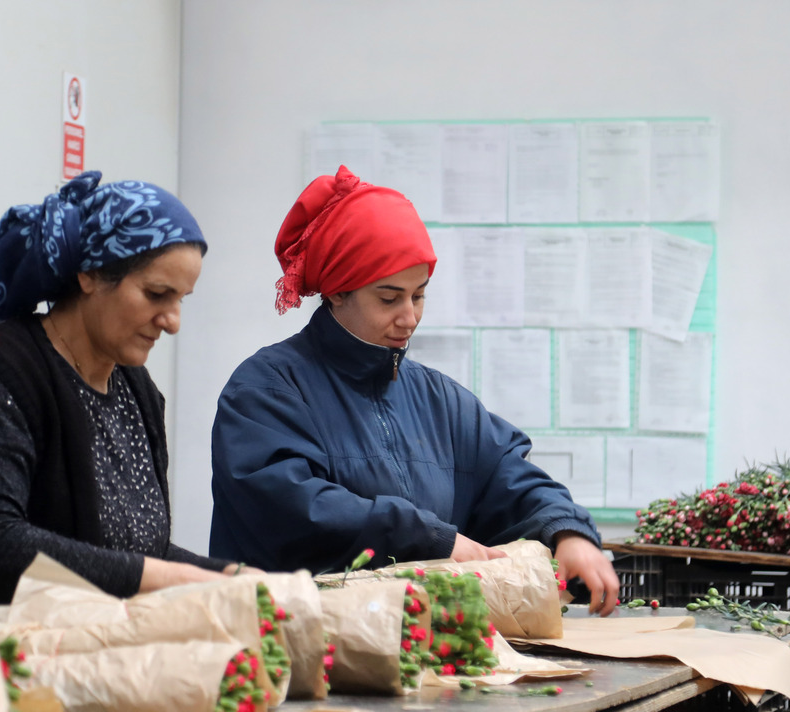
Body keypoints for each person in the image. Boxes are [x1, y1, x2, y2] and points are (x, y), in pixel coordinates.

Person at [210, 165, 620, 614]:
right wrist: (430, 538)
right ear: (337, 293)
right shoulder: (267, 389)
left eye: (419, 295)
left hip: (418, 651)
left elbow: (507, 476)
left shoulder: (439, 400)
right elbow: (292, 507)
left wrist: (567, 532)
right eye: (389, 298)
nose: (409, 317)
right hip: (296, 648)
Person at [0, 171, 257, 627]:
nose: (173, 321)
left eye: (181, 298)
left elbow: (139, 551)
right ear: (90, 274)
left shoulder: (136, 390)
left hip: (79, 664)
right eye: (157, 294)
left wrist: (234, 577)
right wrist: (170, 579)